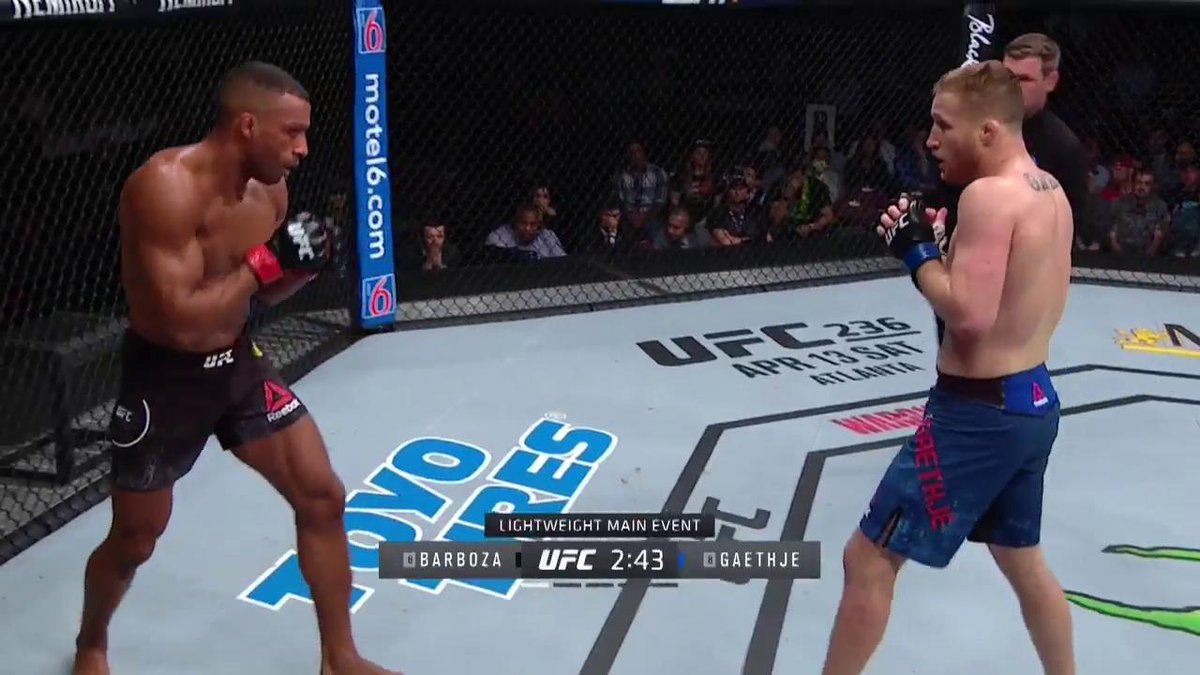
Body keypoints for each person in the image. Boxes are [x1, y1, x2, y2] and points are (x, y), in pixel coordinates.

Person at [72, 61, 400, 675]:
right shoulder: (163, 188)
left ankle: (340, 657)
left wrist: (301, 268)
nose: (303, 149)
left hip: (238, 365)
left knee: (322, 496)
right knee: (136, 538)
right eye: (292, 132)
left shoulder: (270, 192)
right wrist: (266, 263)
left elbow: (256, 296)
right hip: (165, 379)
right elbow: (180, 321)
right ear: (248, 125)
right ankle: (92, 642)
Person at [820, 61, 1076, 675]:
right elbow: (1004, 295)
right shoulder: (1049, 189)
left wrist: (914, 254)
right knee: (1023, 561)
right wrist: (941, 253)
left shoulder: (988, 196)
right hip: (1031, 401)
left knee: (868, 557)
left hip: (976, 414)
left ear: (987, 131)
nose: (931, 140)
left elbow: (969, 316)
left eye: (943, 126)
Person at [926, 32, 1088, 344]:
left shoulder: (1063, 148)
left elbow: (1065, 229)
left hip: (1013, 285)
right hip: (959, 259)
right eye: (1007, 77)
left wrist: (919, 257)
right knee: (954, 347)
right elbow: (945, 191)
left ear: (1050, 81)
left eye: (1023, 80)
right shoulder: (969, 128)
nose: (1012, 89)